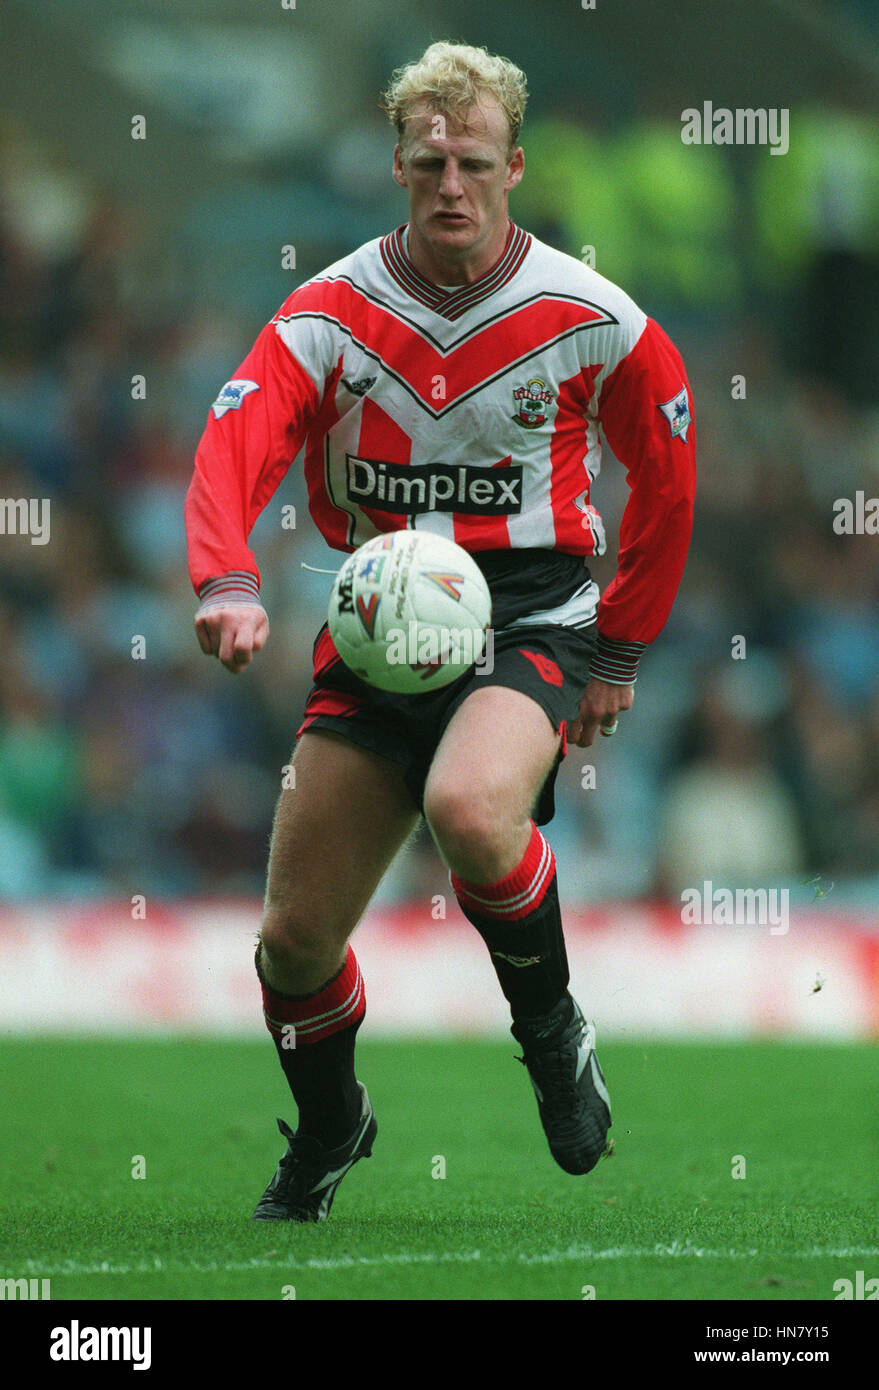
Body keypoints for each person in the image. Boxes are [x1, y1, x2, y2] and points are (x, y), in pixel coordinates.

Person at [185, 41, 696, 1221]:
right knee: (292, 942)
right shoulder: (331, 312)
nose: (450, 183)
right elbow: (234, 441)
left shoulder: (590, 314)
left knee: (472, 810)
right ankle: (331, 1127)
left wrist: (619, 644)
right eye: (428, 162)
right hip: (374, 622)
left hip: (529, 611)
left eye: (472, 161)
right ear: (398, 167)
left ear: (514, 166)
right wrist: (227, 578)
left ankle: (552, 1028)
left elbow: (668, 472)